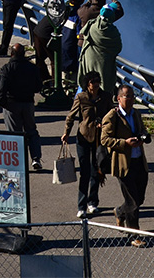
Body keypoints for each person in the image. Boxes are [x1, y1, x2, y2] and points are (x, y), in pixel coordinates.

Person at [100, 82, 152, 241]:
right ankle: (134, 235)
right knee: (133, 202)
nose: (130, 99)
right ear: (118, 98)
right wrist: (125, 143)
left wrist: (143, 136)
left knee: (139, 199)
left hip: (139, 162)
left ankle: (120, 212)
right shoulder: (112, 116)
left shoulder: (135, 114)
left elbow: (141, 129)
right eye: (126, 96)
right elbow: (104, 139)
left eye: (132, 96)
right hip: (123, 165)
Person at [65, 69, 112, 218]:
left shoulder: (105, 97)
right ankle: (81, 205)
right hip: (83, 138)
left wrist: (105, 126)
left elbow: (112, 115)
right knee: (84, 172)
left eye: (98, 82)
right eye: (93, 82)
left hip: (99, 139)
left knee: (96, 171)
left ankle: (93, 202)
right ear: (87, 84)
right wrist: (66, 132)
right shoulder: (81, 98)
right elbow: (71, 117)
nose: (96, 85)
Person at [0, 42, 46, 172]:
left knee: (15, 135)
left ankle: (18, 161)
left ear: (11, 54)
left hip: (12, 104)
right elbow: (38, 87)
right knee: (32, 132)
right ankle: (36, 158)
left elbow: (2, 88)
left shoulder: (7, 68)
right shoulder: (32, 68)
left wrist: (2, 102)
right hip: (28, 103)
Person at [80, 0, 123, 95]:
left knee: (88, 81)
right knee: (103, 85)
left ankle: (84, 99)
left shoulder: (92, 24)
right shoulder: (112, 31)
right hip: (103, 62)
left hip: (88, 59)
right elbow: (118, 47)